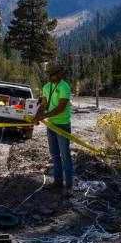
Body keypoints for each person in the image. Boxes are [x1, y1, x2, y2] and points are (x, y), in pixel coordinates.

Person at [32, 61, 73, 192]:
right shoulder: (46, 87)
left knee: (65, 155)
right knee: (54, 154)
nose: (49, 77)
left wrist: (43, 116)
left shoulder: (65, 87)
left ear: (58, 73)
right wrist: (37, 116)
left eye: (52, 75)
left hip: (62, 125)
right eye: (48, 75)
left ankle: (69, 187)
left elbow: (61, 107)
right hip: (51, 125)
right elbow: (43, 104)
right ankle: (58, 182)